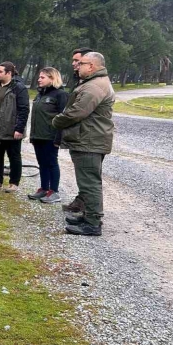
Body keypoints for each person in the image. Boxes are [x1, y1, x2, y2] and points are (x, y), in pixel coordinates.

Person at [53, 52, 115, 236]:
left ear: (92, 66)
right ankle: (88, 215)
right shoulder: (94, 83)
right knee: (87, 181)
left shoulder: (95, 86)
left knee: (89, 182)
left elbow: (76, 112)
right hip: (88, 138)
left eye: (81, 63)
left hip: (89, 140)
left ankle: (93, 222)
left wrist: (57, 121)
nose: (77, 66)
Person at [0, 61, 29, 193]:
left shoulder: (18, 88)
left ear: (9, 73)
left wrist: (19, 128)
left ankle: (14, 183)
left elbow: (24, 110)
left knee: (14, 156)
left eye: (0, 71)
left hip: (10, 129)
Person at [28, 67, 68, 204]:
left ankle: (54, 191)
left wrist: (59, 138)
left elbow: (64, 117)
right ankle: (44, 189)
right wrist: (32, 135)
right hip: (38, 136)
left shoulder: (60, 95)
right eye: (39, 77)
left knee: (51, 163)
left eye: (42, 77)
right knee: (42, 163)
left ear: (52, 78)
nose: (39, 79)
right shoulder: (40, 94)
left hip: (50, 136)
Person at [61, 47, 93, 214]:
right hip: (78, 135)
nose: (74, 64)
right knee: (82, 174)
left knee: (89, 176)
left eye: (78, 61)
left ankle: (90, 213)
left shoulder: (91, 84)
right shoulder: (79, 80)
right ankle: (82, 201)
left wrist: (59, 121)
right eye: (73, 61)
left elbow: (79, 111)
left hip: (87, 136)